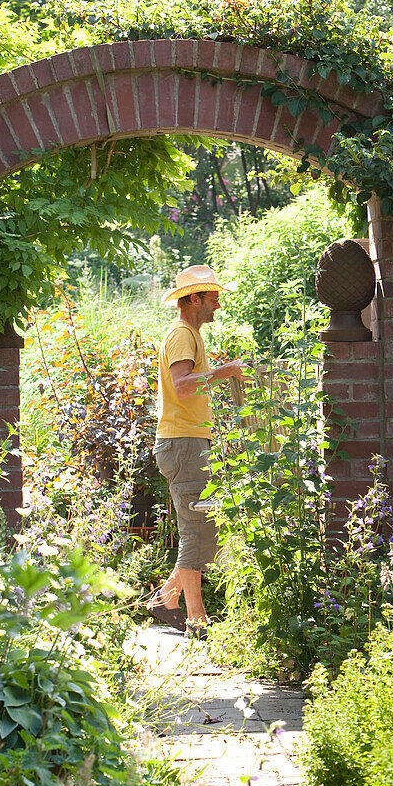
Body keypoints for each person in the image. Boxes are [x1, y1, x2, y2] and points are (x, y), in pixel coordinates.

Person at [146, 265, 244, 639]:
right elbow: (183, 386)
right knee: (194, 531)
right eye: (212, 296)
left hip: (188, 442)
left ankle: (166, 601)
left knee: (203, 528)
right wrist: (227, 371)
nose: (218, 302)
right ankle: (196, 620)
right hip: (182, 444)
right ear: (194, 299)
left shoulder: (188, 334)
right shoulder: (183, 334)